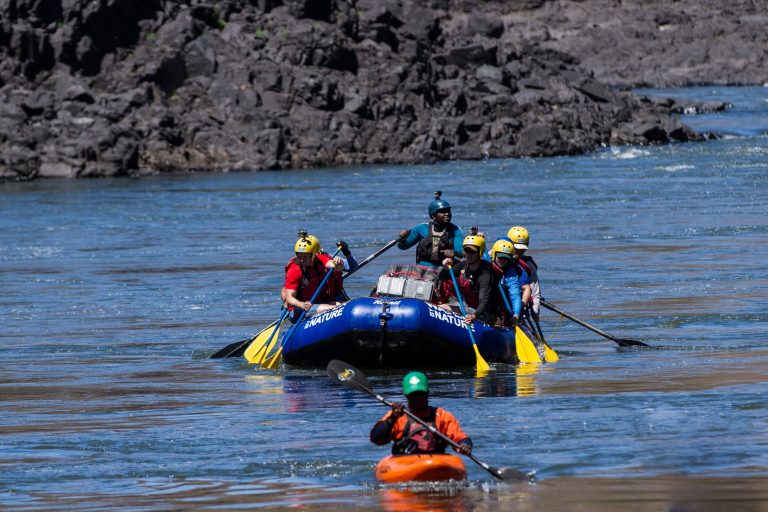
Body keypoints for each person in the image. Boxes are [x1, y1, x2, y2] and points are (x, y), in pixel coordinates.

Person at [370, 371, 472, 456]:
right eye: (413, 395)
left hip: (435, 462)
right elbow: (376, 439)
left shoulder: (441, 416)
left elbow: (460, 437)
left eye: (421, 394)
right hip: (404, 463)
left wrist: (465, 445)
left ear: (427, 393)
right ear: (406, 396)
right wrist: (393, 418)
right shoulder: (397, 415)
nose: (417, 398)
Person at [437, 234, 501, 325]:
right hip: (468, 306)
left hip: (484, 312)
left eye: (472, 252)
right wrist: (445, 267)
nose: (469, 255)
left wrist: (474, 316)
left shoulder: (485, 274)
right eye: (467, 251)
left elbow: (484, 301)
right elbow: (443, 277)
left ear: (479, 252)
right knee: (441, 308)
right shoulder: (463, 264)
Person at [282, 234, 345, 322]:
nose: (302, 259)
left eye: (305, 256)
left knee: (342, 305)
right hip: (300, 309)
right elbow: (289, 299)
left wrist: (338, 263)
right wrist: (301, 304)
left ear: (313, 255)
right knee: (336, 309)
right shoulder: (294, 269)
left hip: (317, 302)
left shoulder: (319, 259)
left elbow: (335, 266)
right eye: (299, 256)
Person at [398, 191, 464, 268]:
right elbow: (402, 247)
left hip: (445, 268)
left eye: (448, 211)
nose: (447, 214)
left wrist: (454, 252)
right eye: (442, 212)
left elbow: (460, 252)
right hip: (422, 269)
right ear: (433, 216)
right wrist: (402, 239)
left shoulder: (456, 230)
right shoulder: (421, 228)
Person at [508, 226, 540, 322]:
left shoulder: (529, 266)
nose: (520, 251)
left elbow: (535, 293)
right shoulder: (495, 253)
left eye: (522, 249)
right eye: (517, 248)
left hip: (519, 303)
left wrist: (535, 312)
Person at [490, 238, 524, 325]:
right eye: (500, 257)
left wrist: (516, 314)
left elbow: (515, 294)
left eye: (506, 258)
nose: (502, 260)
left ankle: (502, 319)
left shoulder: (511, 272)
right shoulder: (486, 265)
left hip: (502, 306)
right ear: (494, 255)